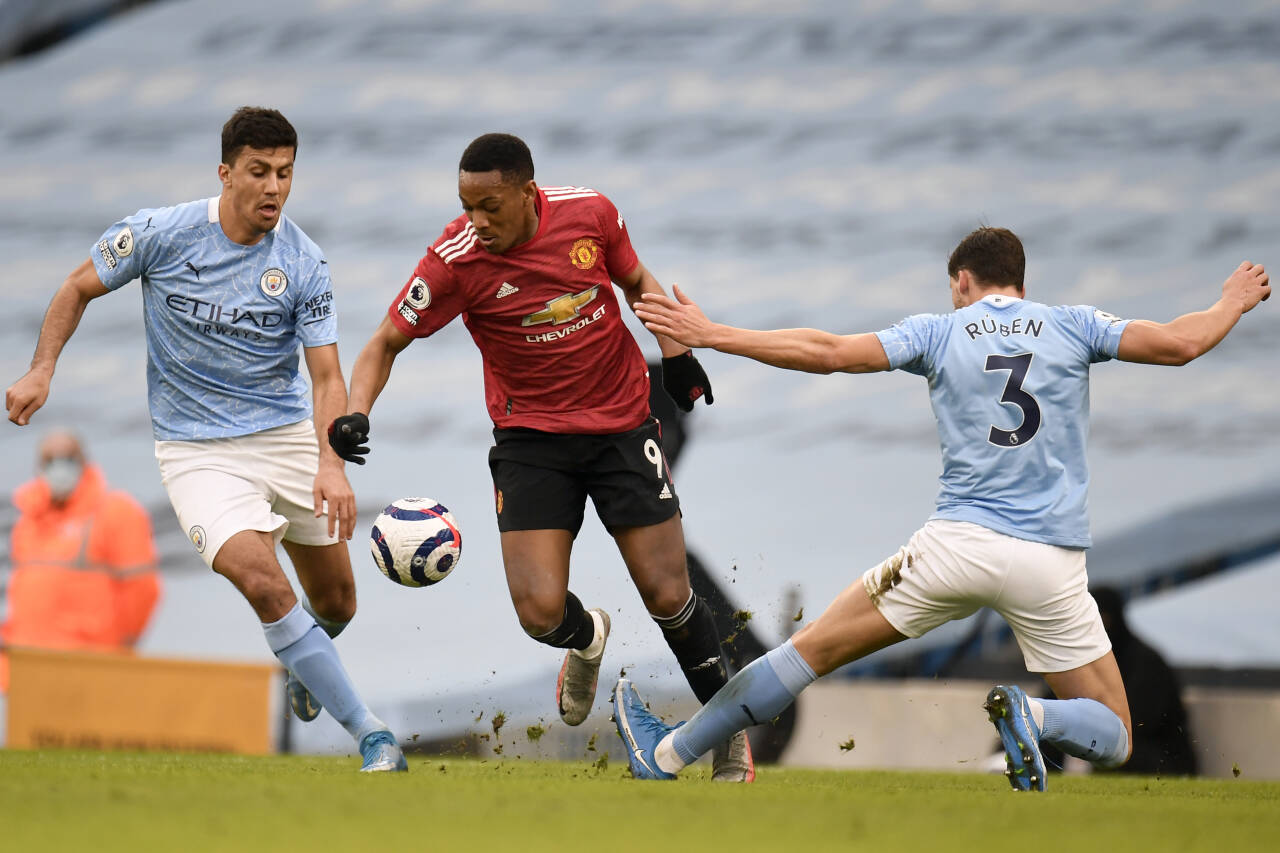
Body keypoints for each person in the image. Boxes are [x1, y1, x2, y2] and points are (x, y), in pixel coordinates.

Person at [613, 226, 1269, 790]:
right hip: (1050, 561)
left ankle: (668, 752)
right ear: (1019, 280)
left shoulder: (940, 331)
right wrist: (1230, 302)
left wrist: (712, 333)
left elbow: (830, 354)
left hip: (955, 546)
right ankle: (1034, 717)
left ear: (962, 281)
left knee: (803, 654)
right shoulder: (1075, 324)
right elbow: (1182, 343)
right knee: (1117, 733)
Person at [330, 133, 753, 780]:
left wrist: (675, 354)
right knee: (538, 612)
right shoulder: (453, 261)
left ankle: (727, 735)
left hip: (619, 425)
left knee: (668, 591)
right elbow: (384, 343)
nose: (477, 222)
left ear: (528, 192)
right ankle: (586, 638)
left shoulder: (591, 215)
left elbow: (636, 279)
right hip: (531, 441)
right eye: (466, 206)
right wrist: (358, 410)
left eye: (490, 206)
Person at [4, 106, 406, 772]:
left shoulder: (303, 260)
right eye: (258, 172)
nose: (273, 187)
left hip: (281, 435)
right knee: (264, 583)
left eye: (284, 173)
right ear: (225, 172)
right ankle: (372, 735)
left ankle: (311, 666)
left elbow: (327, 375)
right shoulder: (160, 234)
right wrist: (43, 366)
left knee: (336, 601)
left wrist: (330, 461)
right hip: (196, 450)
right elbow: (78, 286)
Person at [1, 430, 160, 691]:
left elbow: (142, 589)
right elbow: (20, 594)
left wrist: (116, 649)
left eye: (66, 458)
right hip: (26, 670)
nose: (58, 468)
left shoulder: (116, 512)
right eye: (49, 460)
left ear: (84, 461)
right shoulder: (28, 521)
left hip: (89, 668)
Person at [1090, 587, 1197, 776]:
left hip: (1162, 756)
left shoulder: (1145, 661)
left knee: (1119, 748)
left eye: (1101, 617)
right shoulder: (1091, 658)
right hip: (1118, 746)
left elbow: (1138, 720)